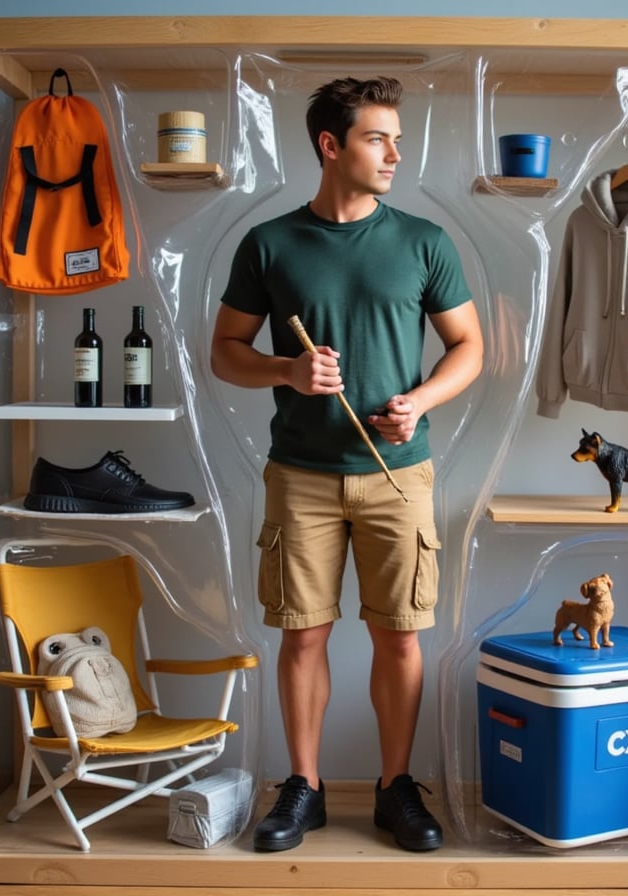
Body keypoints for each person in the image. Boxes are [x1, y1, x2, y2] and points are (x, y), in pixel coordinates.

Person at [210, 76, 483, 853]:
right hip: (299, 474)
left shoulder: (423, 241)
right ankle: (306, 787)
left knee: (401, 636)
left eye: (397, 137)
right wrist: (286, 373)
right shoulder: (270, 242)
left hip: (400, 473)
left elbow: (469, 347)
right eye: (377, 138)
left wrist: (421, 400)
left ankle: (397, 789)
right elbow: (225, 354)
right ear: (331, 146)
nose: (395, 152)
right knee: (304, 636)